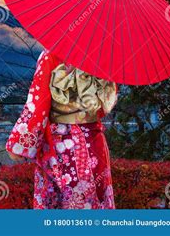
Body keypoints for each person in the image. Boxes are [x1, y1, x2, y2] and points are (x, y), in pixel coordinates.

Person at [6, 49, 117, 209]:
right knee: (95, 205)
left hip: (62, 144)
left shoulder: (53, 53)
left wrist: (19, 144)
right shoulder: (104, 55)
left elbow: (38, 103)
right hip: (94, 141)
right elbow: (105, 105)